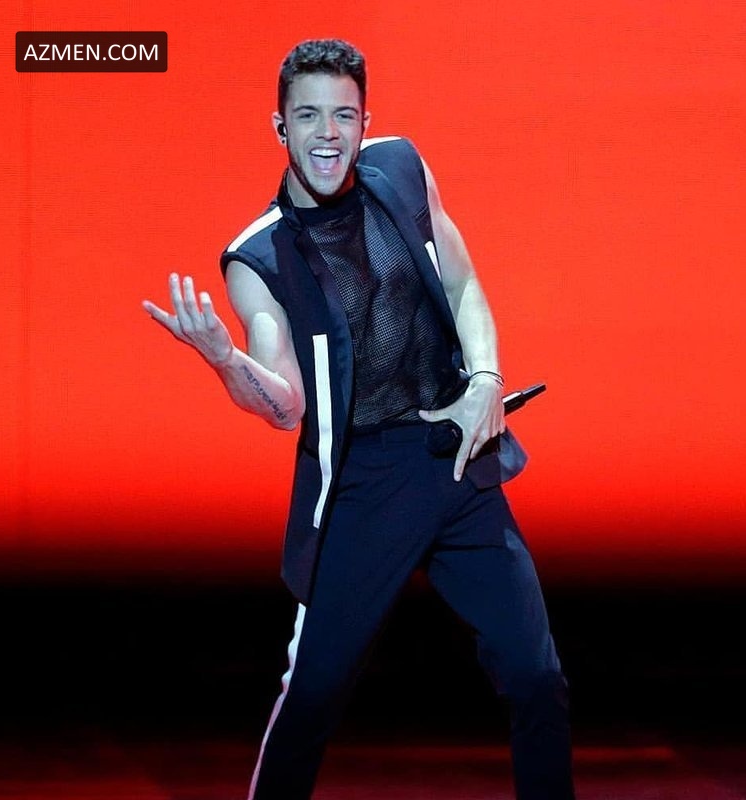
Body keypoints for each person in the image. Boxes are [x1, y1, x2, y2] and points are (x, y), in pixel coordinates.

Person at [143, 38, 575, 800]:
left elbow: (463, 282)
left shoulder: (401, 168)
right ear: (281, 127)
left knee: (536, 676)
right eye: (309, 116)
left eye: (343, 115)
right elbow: (285, 403)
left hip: (454, 455)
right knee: (312, 696)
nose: (328, 133)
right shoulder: (260, 255)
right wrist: (224, 360)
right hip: (362, 486)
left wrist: (485, 378)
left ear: (365, 120)